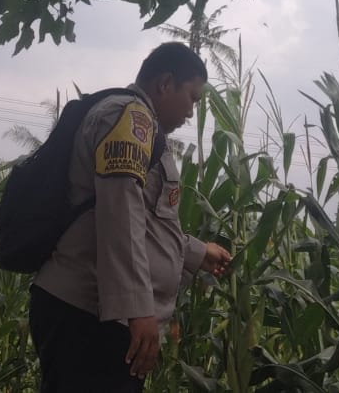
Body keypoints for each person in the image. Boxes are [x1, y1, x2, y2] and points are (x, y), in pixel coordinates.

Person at [29, 41, 234, 391]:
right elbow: (119, 216)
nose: (191, 112)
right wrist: (138, 309)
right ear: (165, 83)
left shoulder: (144, 128)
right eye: (192, 98)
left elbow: (145, 220)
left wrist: (197, 252)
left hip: (97, 313)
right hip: (89, 315)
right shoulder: (130, 120)